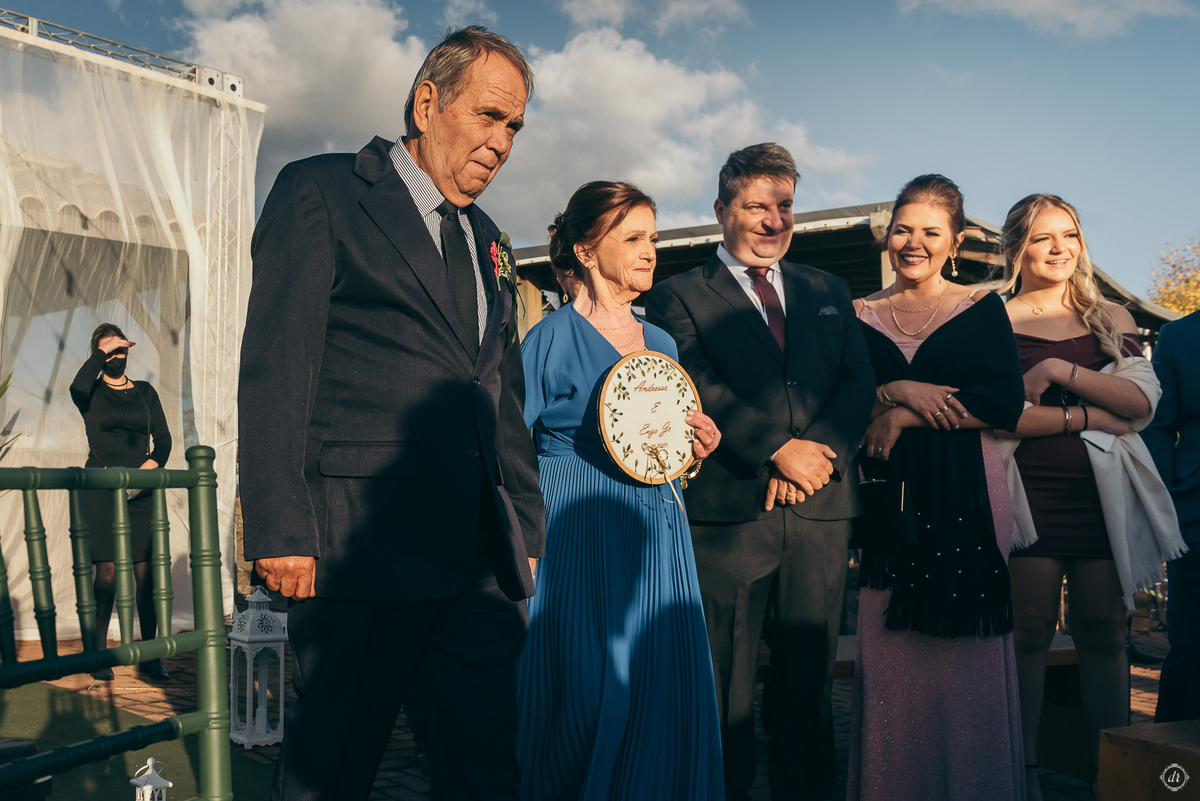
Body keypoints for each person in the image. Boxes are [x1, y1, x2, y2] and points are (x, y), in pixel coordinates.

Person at [238, 27, 545, 801]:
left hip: (477, 567)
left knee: (487, 770)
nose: (501, 141)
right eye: (488, 116)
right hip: (356, 553)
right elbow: (277, 365)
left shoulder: (491, 240)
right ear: (427, 100)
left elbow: (499, 393)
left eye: (513, 126)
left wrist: (527, 528)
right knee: (329, 773)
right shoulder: (322, 191)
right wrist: (280, 528)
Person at [646, 143, 875, 801]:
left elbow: (858, 381)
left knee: (810, 684)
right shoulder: (675, 297)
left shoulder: (827, 289)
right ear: (722, 210)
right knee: (726, 686)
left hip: (821, 512)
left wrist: (816, 455)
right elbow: (695, 383)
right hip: (730, 514)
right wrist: (775, 448)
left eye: (784, 206)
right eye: (756, 206)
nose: (774, 220)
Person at [517, 180, 725, 799]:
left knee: (659, 679)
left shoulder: (661, 341)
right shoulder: (546, 340)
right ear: (585, 250)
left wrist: (698, 444)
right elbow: (505, 446)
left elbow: (659, 442)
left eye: (653, 239)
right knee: (585, 687)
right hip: (576, 530)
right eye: (632, 238)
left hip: (660, 526)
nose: (649, 251)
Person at [996, 194, 1184, 798]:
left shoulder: (1113, 317)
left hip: (1103, 497)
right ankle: (1021, 773)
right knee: (1026, 630)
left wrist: (1054, 371)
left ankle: (1114, 777)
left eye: (1070, 235)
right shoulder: (991, 318)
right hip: (1028, 491)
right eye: (1045, 237)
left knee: (1103, 628)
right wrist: (1091, 413)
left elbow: (1139, 407)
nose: (1060, 249)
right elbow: (1000, 416)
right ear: (1016, 247)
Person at [847, 174, 1026, 801]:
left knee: (966, 667)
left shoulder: (981, 309)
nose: (913, 243)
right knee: (893, 666)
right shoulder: (856, 314)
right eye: (903, 229)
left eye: (930, 232)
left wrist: (903, 415)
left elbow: (1003, 401)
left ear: (954, 243)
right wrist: (893, 391)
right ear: (887, 234)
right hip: (889, 509)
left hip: (968, 501)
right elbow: (838, 403)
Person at [70, 323, 172, 682]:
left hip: (141, 489)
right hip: (101, 486)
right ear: (99, 355)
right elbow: (76, 385)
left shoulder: (145, 392)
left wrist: (149, 468)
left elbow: (163, 441)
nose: (116, 356)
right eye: (109, 351)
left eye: (120, 349)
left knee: (146, 575)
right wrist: (101, 350)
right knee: (108, 573)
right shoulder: (91, 391)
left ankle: (150, 655)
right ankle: (98, 655)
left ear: (129, 352)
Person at [1145, 309, 1200, 722]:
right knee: (1192, 642)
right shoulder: (1178, 335)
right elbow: (1157, 426)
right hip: (1196, 512)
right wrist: (1171, 498)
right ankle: (1170, 779)